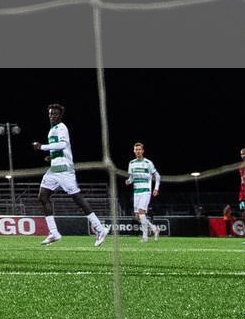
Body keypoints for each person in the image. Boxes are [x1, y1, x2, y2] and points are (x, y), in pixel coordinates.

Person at [34, 103, 107, 246]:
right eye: (50, 114)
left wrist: (42, 147)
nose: (52, 116)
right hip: (55, 168)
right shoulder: (52, 130)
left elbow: (63, 144)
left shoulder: (62, 128)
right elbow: (60, 149)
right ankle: (54, 233)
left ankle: (100, 228)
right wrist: (51, 156)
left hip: (64, 169)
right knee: (42, 196)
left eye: (55, 114)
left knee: (77, 198)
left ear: (60, 115)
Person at [125, 141, 160, 242]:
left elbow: (157, 176)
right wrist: (128, 181)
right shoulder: (131, 163)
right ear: (134, 151)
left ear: (143, 151)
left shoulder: (148, 163)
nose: (138, 151)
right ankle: (154, 228)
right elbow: (131, 178)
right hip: (136, 191)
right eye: (136, 149)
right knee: (137, 216)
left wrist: (156, 188)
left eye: (139, 149)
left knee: (141, 212)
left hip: (146, 190)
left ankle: (145, 237)